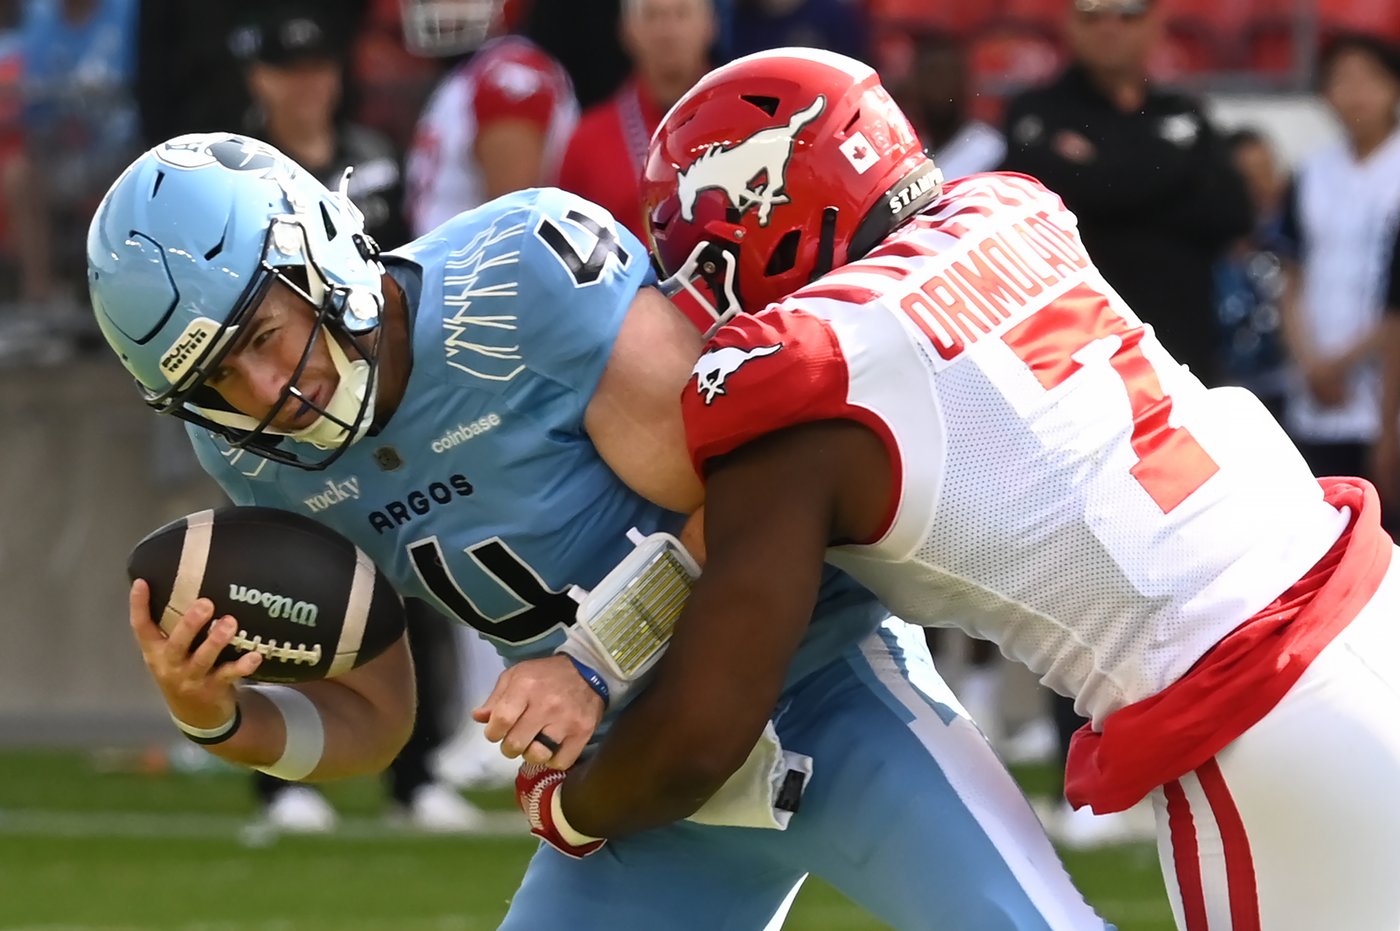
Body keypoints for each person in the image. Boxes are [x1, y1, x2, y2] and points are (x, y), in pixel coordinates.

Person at [87, 132, 1107, 929]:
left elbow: (764, 500)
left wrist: (587, 661)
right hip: (637, 782)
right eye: (216, 380)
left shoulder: (518, 281)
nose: (267, 391)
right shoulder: (252, 452)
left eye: (263, 336)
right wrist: (221, 715)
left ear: (313, 251)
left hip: (819, 692)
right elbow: (376, 718)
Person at [479, 48, 1400, 931]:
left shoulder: (805, 374)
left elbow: (703, 733)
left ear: (764, 208)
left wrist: (575, 808)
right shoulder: (1014, 209)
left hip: (1251, 704)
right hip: (1364, 595)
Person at [1000, 0, 1252, 389]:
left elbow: (1233, 210)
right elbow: (1056, 200)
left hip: (1182, 356)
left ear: (1156, 24)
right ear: (1068, 23)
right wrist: (1176, 172)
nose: (1110, 27)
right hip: (1078, 360)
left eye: (1129, 14)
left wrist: (1100, 172)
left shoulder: (1184, 110)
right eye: (1091, 14)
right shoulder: (1035, 111)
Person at [1278, 33, 1400, 490]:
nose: (1355, 93)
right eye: (1341, 80)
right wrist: (1311, 362)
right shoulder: (1311, 172)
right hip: (1315, 388)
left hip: (1384, 385)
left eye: (1370, 79)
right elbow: (1291, 277)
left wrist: (1343, 362)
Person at [404, 4, 578, 237]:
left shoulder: (506, 75)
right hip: (452, 266)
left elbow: (514, 225)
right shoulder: (478, 69)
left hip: (479, 270)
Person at [555, 0, 716, 241]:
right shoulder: (588, 140)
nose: (668, 32)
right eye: (652, 16)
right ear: (626, 31)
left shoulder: (747, 122)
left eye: (681, 14)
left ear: (710, 26)